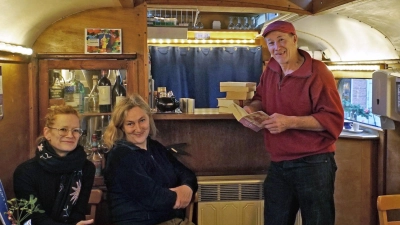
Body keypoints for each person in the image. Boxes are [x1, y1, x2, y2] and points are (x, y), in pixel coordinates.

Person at [244, 21, 344, 225]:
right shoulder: (270, 70)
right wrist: (251, 110)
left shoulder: (319, 72)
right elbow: (260, 98)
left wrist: (289, 122)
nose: (276, 47)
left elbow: (332, 119)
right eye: (271, 43)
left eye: (281, 40)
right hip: (279, 163)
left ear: (295, 40)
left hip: (314, 163)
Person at [103, 94, 198, 225]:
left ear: (149, 119)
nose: (138, 128)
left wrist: (187, 188)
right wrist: (177, 196)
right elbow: (152, 197)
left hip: (173, 220)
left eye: (142, 120)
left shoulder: (155, 147)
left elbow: (187, 174)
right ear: (122, 127)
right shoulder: (119, 156)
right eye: (130, 124)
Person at [13, 105, 95, 225]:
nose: (70, 135)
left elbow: (78, 214)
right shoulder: (25, 172)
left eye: (76, 130)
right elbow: (33, 218)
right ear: (47, 133)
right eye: (63, 129)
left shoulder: (86, 168)